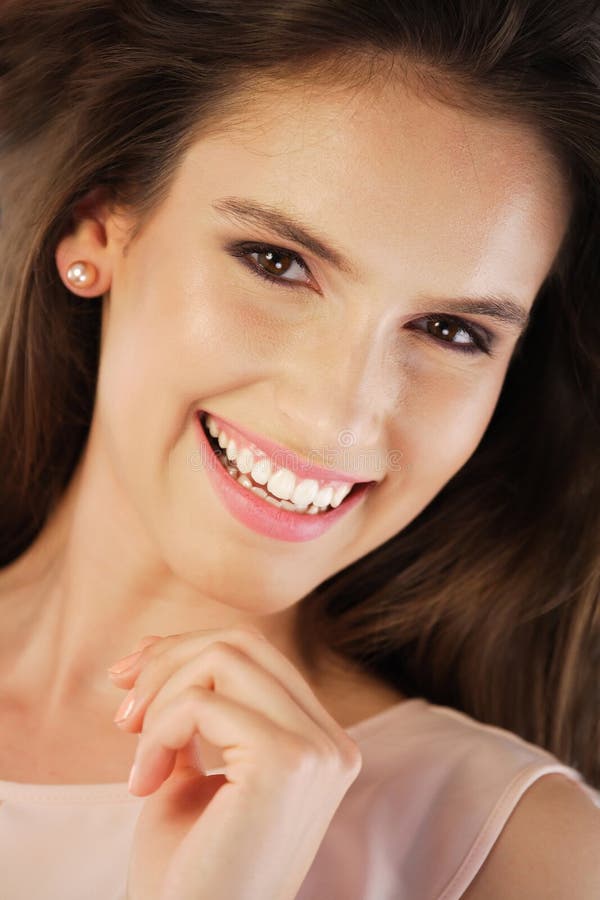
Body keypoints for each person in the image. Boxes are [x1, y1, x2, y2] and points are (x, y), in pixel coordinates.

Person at [0, 0, 598, 897]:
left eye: (449, 330)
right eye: (277, 263)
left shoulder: (520, 851)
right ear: (100, 227)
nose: (336, 419)